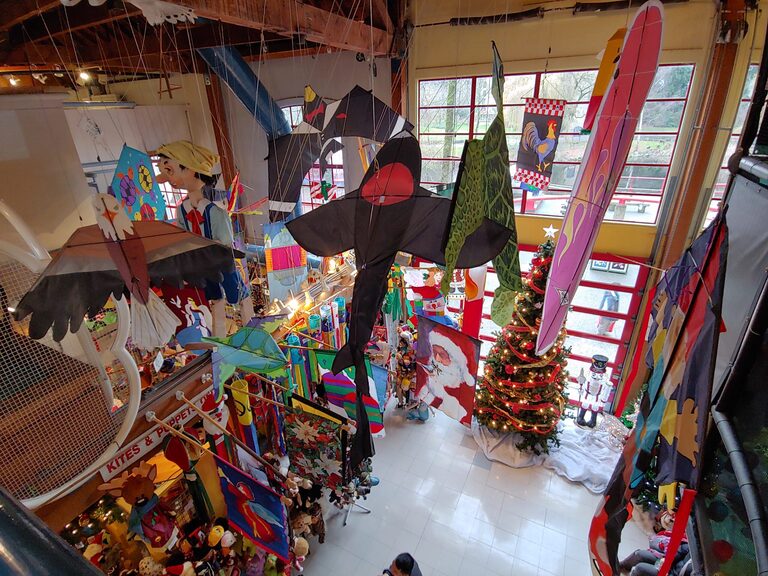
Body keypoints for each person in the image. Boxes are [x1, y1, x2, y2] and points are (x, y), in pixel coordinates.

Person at [156, 140, 254, 336]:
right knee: (214, 298)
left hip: (220, 262)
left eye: (170, 170)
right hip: (201, 265)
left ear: (191, 169)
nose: (168, 179)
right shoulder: (182, 210)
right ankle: (220, 338)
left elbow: (224, 243)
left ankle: (252, 328)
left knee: (238, 294)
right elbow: (182, 238)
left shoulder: (215, 211)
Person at [416, 325, 476, 426]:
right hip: (429, 392)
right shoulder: (432, 362)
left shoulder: (458, 384)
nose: (437, 358)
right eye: (434, 352)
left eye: (442, 354)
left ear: (454, 357)